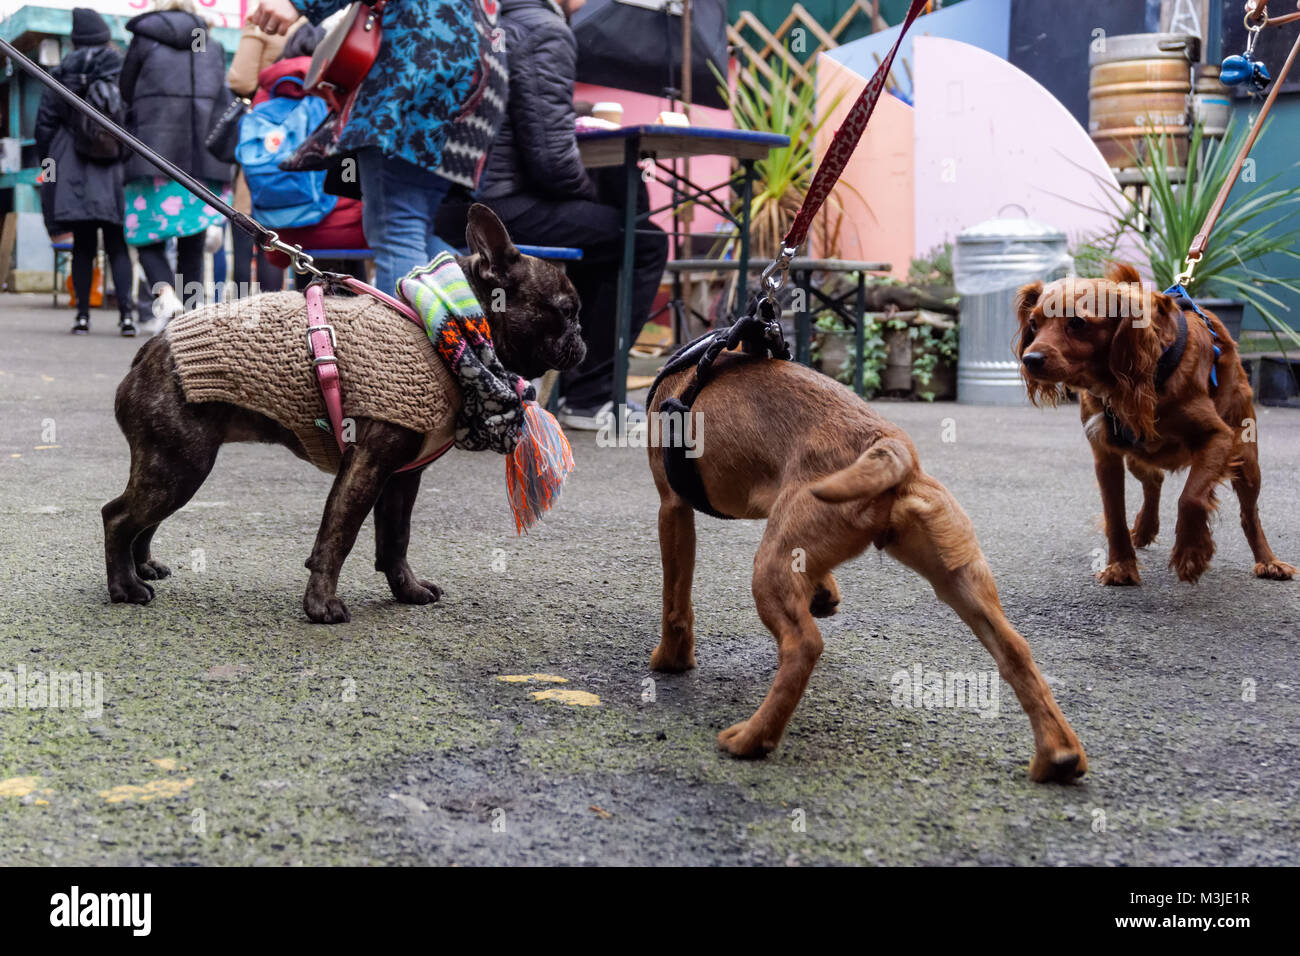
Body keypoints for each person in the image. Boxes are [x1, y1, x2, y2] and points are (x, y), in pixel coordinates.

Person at [475, 0, 668, 431]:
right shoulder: (546, 30)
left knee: (612, 233)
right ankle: (589, 394)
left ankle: (569, 380)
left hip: (465, 200)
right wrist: (591, 198)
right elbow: (551, 161)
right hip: (506, 205)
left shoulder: (494, 22)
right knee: (643, 241)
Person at [250, 0, 496, 296]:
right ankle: (484, 317)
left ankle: (404, 342)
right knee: (412, 227)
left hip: (417, 61)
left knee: (397, 231)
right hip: (473, 70)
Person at [120, 0, 233, 326]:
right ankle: (191, 321)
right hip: (201, 157)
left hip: (152, 152)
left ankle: (166, 293)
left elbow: (124, 92)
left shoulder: (144, 40)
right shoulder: (211, 45)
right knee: (193, 240)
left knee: (144, 235)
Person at [35, 8, 138, 336]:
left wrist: (49, 162)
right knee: (117, 243)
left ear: (75, 40)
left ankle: (82, 316)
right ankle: (126, 317)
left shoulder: (61, 72)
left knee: (83, 244)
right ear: (104, 36)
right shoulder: (120, 69)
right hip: (113, 167)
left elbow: (44, 124)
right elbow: (133, 117)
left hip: (71, 166)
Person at [224, 6, 311, 296]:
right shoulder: (319, 17)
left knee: (256, 228)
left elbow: (240, 79)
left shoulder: (264, 21)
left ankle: (252, 319)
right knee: (305, 240)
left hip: (269, 132)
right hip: (315, 129)